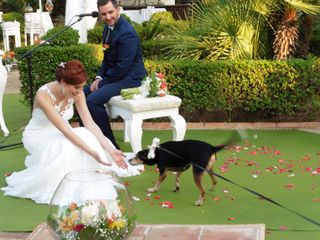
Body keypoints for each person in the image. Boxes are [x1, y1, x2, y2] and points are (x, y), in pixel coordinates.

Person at [1, 60, 142, 204]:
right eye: (76, 87)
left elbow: (90, 124)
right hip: (39, 135)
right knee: (69, 143)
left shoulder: (77, 94)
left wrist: (111, 150)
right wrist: (92, 153)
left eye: (82, 87)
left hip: (62, 133)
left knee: (84, 133)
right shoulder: (43, 96)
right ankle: (66, 183)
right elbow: (66, 131)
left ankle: (84, 179)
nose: (80, 91)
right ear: (62, 81)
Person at [81, 0, 146, 149]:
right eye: (104, 14)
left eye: (110, 12)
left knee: (93, 99)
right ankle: (88, 139)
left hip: (130, 78)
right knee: (80, 94)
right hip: (116, 76)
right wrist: (98, 77)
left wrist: (102, 83)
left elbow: (122, 68)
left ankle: (110, 145)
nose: (108, 16)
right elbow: (107, 58)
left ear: (118, 9)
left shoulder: (127, 32)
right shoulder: (107, 29)